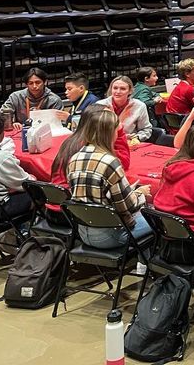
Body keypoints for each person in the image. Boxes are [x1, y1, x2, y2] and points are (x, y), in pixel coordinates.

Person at [66, 108, 152, 254]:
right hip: (109, 236)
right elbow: (127, 206)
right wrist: (139, 193)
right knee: (155, 216)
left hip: (82, 231)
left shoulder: (74, 158)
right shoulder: (110, 162)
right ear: (110, 133)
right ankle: (145, 267)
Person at [51, 108, 131, 190]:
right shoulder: (95, 149)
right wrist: (120, 130)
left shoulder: (72, 140)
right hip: (70, 196)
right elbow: (124, 162)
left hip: (58, 193)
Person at [98, 75, 152, 143]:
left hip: (129, 144)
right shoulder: (100, 105)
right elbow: (93, 130)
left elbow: (146, 129)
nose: (118, 91)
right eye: (115, 88)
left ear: (130, 91)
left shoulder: (139, 106)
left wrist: (137, 137)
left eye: (123, 89)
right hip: (105, 144)